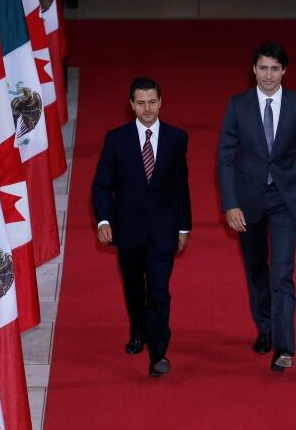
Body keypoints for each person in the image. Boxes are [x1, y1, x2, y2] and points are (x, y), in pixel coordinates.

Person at [217, 41, 296, 372]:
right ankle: (265, 327)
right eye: (262, 68)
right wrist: (230, 204)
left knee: (282, 272)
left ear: (284, 71)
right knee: (257, 270)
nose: (268, 75)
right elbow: (225, 158)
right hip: (248, 203)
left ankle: (284, 346)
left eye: (275, 68)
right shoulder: (237, 106)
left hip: (285, 200)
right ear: (253, 70)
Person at [92, 77, 192, 377]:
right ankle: (139, 331)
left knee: (159, 291)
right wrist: (104, 220)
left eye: (152, 102)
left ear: (161, 102)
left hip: (164, 229)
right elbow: (101, 186)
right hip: (128, 230)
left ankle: (159, 353)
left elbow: (181, 186)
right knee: (135, 288)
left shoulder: (177, 138)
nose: (147, 108)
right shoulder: (116, 139)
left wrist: (184, 227)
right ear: (132, 105)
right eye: (141, 103)